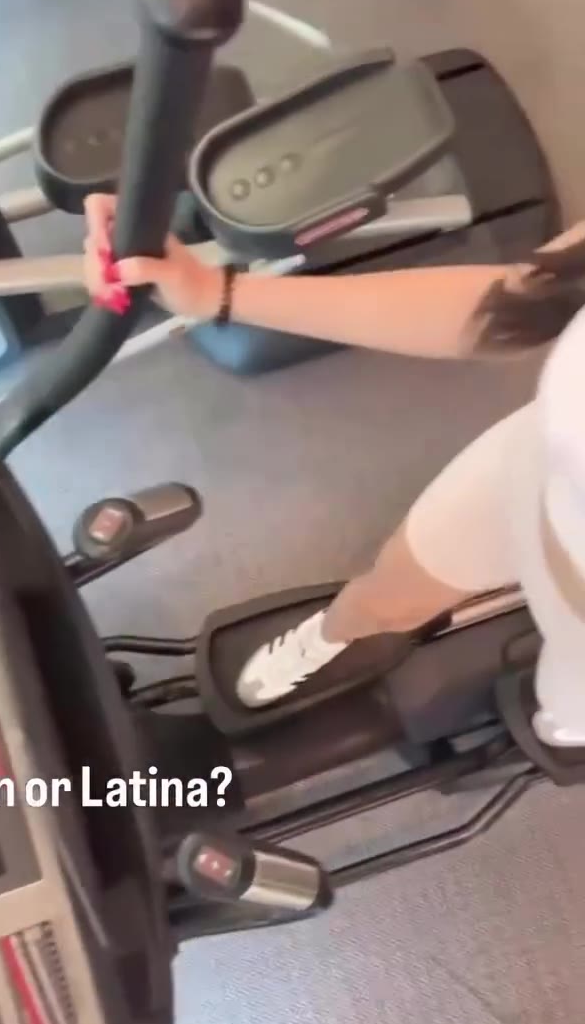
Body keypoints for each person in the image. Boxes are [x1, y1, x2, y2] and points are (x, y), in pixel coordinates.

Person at [83, 194, 585, 742]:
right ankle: (329, 635)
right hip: (540, 471)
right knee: (386, 598)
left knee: (561, 706)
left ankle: (563, 722)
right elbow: (515, 303)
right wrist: (213, 292)